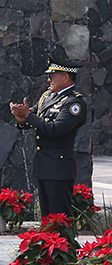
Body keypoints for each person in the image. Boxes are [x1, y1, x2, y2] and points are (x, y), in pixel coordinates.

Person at [10, 54, 86, 217]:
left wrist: (28, 116)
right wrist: (22, 119)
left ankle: (65, 243)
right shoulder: (48, 97)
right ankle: (47, 244)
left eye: (52, 76)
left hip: (59, 168)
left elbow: (55, 129)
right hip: (44, 165)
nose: (48, 80)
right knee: (46, 216)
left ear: (65, 77)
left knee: (59, 217)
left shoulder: (74, 103)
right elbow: (34, 119)